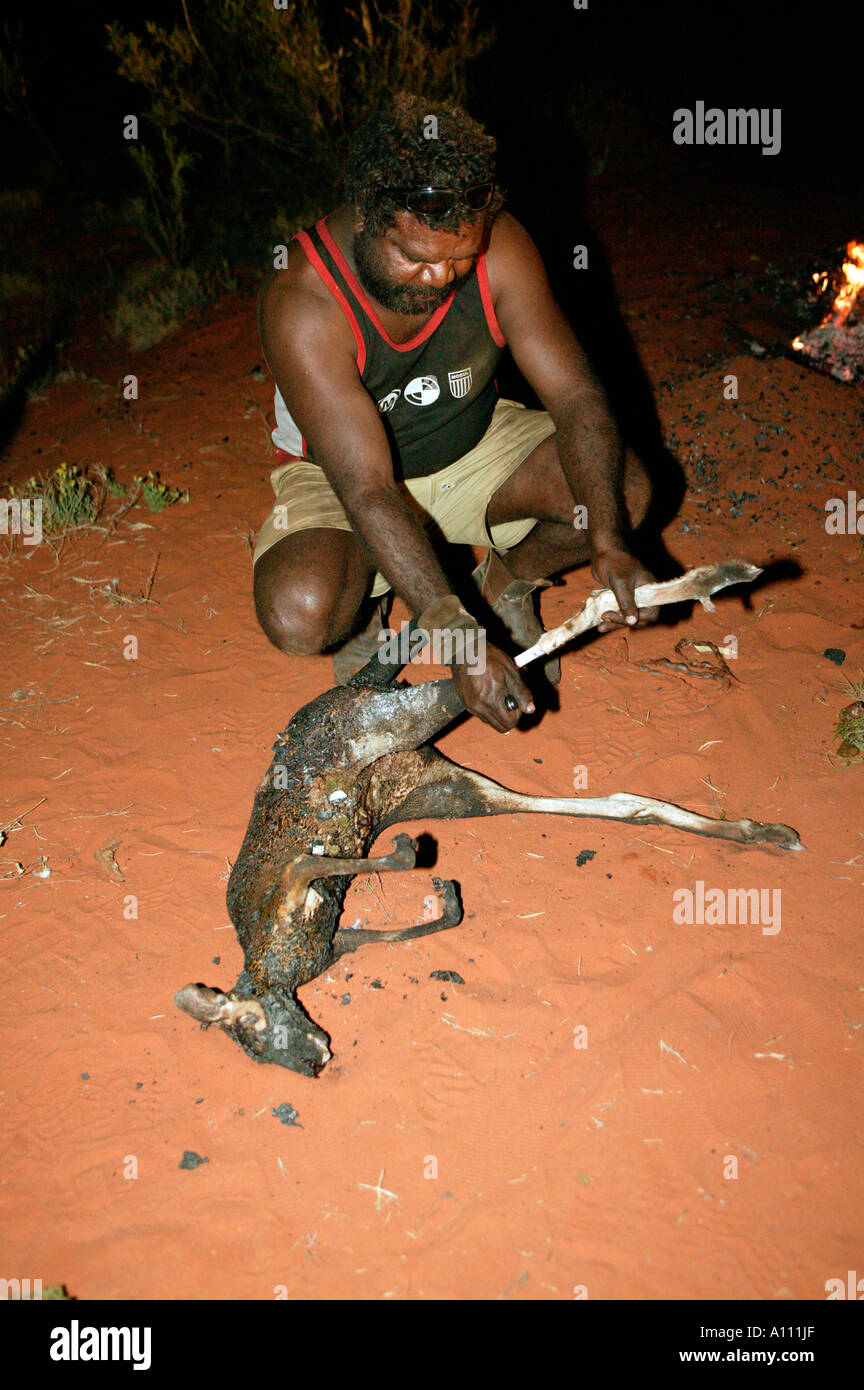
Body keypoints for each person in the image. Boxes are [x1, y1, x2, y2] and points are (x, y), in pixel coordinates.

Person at [253, 92, 658, 732]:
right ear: (365, 214)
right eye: (414, 256)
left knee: (622, 491)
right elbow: (366, 485)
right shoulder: (303, 300)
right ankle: (367, 610)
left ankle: (502, 586)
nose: (440, 275)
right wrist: (462, 643)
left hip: (469, 447)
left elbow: (577, 396)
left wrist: (608, 541)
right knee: (303, 609)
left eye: (457, 257)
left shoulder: (502, 248)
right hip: (346, 479)